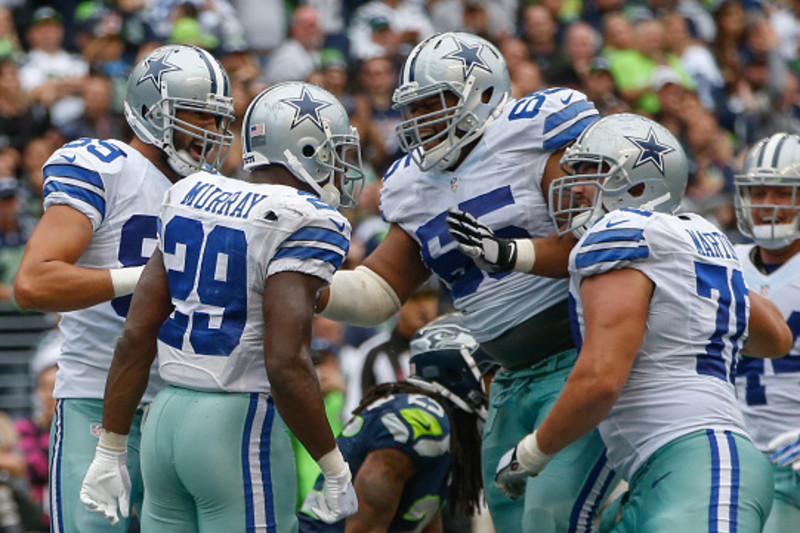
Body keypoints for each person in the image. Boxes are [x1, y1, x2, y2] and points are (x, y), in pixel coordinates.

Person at [316, 31, 616, 533]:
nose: (419, 122)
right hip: (503, 379)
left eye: (434, 104)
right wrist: (304, 286)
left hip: (572, 360)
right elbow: (376, 293)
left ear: (483, 95)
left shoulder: (532, 137)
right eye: (412, 110)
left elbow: (596, 243)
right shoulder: (413, 184)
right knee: (512, 519)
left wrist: (509, 254)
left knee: (554, 517)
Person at [78, 81, 365, 531]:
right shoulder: (306, 217)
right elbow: (286, 363)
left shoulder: (191, 193)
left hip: (164, 421)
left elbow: (136, 334)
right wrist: (333, 466)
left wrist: (110, 448)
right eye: (333, 150)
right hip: (236, 422)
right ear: (309, 149)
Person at [493, 113, 793, 530]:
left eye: (591, 173)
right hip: (678, 467)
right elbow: (776, 336)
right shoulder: (697, 234)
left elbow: (600, 380)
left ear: (638, 184)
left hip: (694, 462)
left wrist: (531, 454)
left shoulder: (620, 232)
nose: (575, 187)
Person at [12, 44, 236, 533]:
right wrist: (148, 279)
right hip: (97, 395)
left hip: (185, 405)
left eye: (219, 121)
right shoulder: (106, 166)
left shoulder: (215, 194)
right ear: (153, 113)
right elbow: (33, 282)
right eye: (198, 117)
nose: (213, 134)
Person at [298, 314, 498, 532]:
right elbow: (365, 527)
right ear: (458, 373)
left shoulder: (443, 424)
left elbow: (421, 515)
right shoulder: (422, 421)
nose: (497, 385)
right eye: (490, 374)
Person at [732, 132, 800, 532]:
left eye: (782, 193)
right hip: (730, 450)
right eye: (758, 193)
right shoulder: (721, 261)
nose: (768, 206)